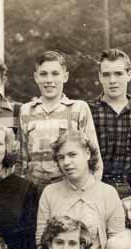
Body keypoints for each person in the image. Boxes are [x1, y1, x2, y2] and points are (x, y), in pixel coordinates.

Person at [36, 130, 125, 249]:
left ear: (88, 154)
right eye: (61, 157)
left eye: (72, 155)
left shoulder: (108, 193)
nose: (66, 162)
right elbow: (41, 240)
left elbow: (116, 243)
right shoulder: (49, 192)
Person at [20, 50, 103, 191]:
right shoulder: (26, 110)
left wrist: (90, 191)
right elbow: (20, 161)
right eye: (43, 74)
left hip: (69, 188)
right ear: (36, 77)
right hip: (33, 190)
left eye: (55, 73)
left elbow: (94, 158)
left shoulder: (78, 108)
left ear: (65, 76)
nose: (49, 80)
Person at [89, 48, 131, 198]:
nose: (112, 80)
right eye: (106, 74)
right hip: (96, 190)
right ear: (100, 77)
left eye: (118, 73)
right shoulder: (87, 111)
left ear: (129, 75)